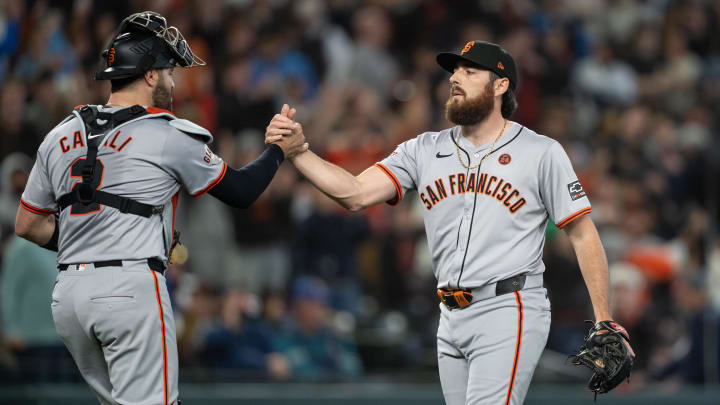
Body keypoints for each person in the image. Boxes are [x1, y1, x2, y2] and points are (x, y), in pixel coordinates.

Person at [267, 40, 634, 404]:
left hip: (509, 305)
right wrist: (299, 152)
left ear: (500, 86)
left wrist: (604, 316)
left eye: (470, 71)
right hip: (449, 313)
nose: (456, 78)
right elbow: (355, 193)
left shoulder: (540, 152)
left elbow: (583, 233)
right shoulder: (423, 149)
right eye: (454, 71)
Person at [14, 11, 306, 405]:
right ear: (150, 74)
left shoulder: (61, 133)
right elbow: (241, 191)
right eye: (169, 71)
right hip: (130, 288)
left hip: (69, 298)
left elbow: (28, 224)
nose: (173, 80)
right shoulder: (166, 131)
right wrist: (278, 150)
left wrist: (94, 243)